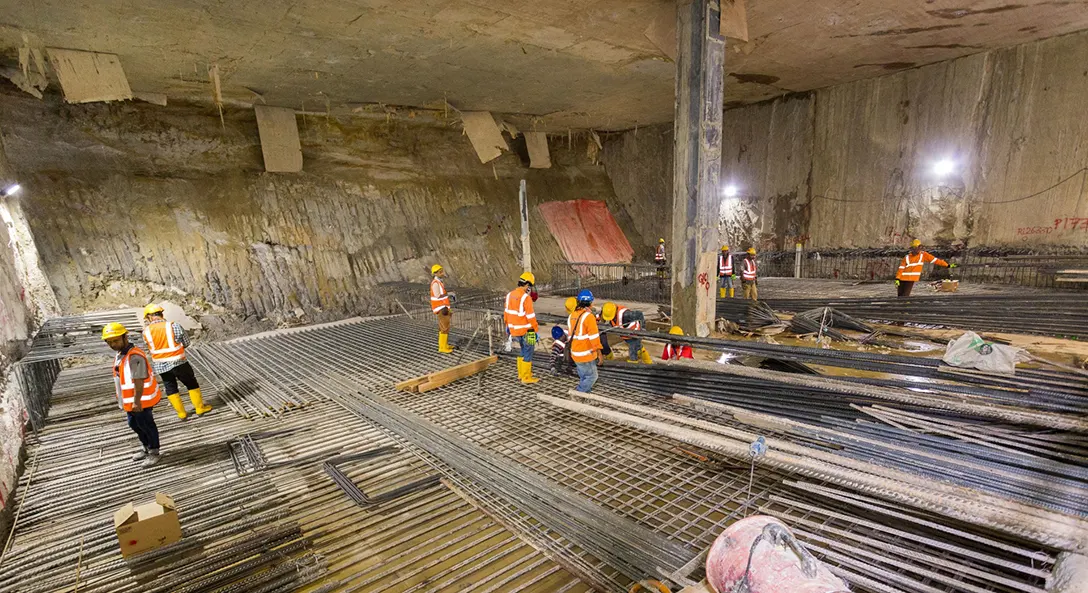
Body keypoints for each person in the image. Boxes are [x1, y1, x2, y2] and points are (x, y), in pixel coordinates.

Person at [103, 322, 163, 467]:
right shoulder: (121, 354)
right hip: (130, 400)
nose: (113, 344)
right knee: (134, 424)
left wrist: (137, 401)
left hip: (141, 400)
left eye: (116, 340)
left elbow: (138, 380)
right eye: (109, 342)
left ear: (125, 337)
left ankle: (154, 452)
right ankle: (146, 447)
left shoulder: (135, 356)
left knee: (146, 425)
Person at [142, 304, 211, 419]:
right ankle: (199, 408)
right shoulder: (173, 326)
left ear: (149, 317)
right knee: (191, 384)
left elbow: (149, 347)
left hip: (160, 365)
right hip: (178, 362)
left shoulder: (146, 332)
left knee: (170, 387)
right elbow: (186, 342)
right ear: (161, 314)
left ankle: (181, 413)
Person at [504, 272, 540, 384]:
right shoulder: (526, 298)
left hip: (514, 329)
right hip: (528, 330)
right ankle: (526, 377)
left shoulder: (509, 295)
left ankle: (521, 374)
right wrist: (536, 330)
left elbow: (506, 313)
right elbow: (531, 317)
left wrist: (507, 326)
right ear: (527, 285)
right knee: (528, 352)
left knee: (521, 352)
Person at [568, 290, 603, 392]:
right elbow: (594, 338)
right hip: (586, 354)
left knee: (584, 376)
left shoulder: (572, 315)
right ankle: (578, 393)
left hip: (575, 353)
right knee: (592, 377)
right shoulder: (588, 317)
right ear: (591, 303)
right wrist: (599, 354)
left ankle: (584, 396)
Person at [430, 264, 455, 353]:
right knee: (445, 327)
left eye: (442, 271)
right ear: (435, 273)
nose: (442, 273)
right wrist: (449, 294)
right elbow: (437, 296)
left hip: (443, 307)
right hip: (441, 309)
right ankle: (442, 348)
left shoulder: (439, 282)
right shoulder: (435, 284)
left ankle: (444, 345)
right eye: (440, 272)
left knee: (443, 327)